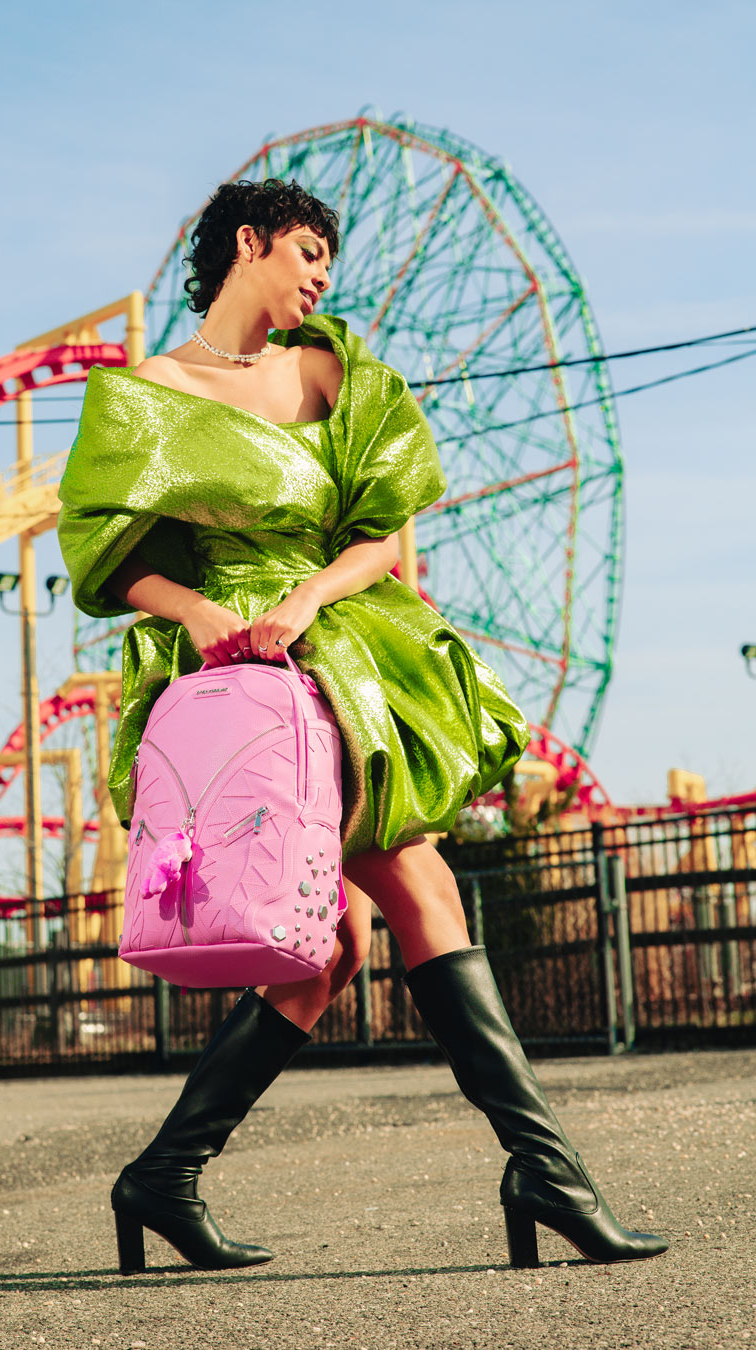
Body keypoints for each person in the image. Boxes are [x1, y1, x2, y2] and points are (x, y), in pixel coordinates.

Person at [56, 178, 667, 1275]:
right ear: (248, 244)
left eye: (328, 264)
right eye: (306, 255)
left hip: (340, 658)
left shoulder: (334, 370)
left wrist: (303, 601)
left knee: (332, 951)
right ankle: (547, 1174)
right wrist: (202, 612)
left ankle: (165, 1176)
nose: (321, 279)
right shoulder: (140, 398)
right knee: (374, 920)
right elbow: (103, 556)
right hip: (236, 690)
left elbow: (383, 537)